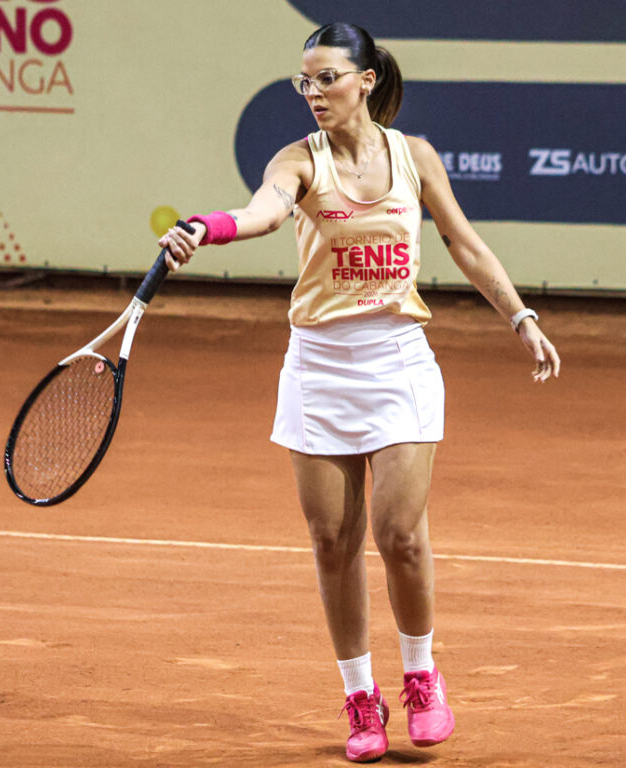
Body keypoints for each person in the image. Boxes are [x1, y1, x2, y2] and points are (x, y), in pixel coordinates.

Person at [159, 22, 561, 763]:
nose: (313, 93)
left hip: (398, 360)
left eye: (327, 78)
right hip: (318, 368)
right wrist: (205, 228)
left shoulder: (415, 157)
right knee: (332, 542)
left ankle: (421, 677)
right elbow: (263, 213)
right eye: (304, 81)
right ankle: (359, 695)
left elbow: (464, 242)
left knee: (399, 533)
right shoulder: (297, 161)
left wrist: (520, 316)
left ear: (366, 80)